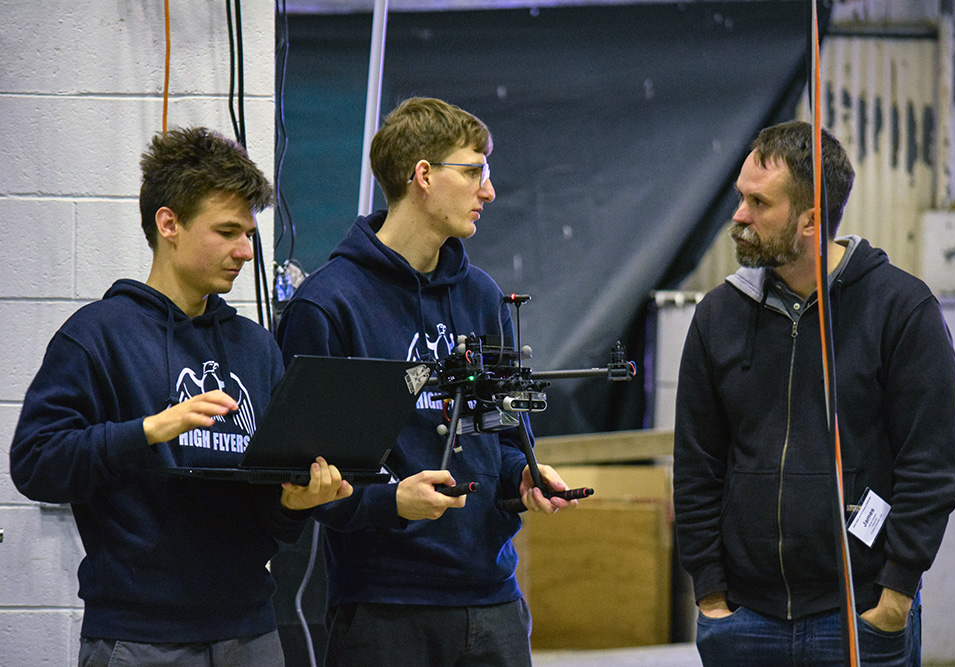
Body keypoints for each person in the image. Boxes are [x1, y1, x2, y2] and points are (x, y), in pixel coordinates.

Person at [9, 127, 352, 666]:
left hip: (251, 632)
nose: (245, 251)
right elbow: (35, 466)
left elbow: (269, 510)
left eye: (249, 233)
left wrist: (295, 503)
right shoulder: (96, 336)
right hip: (139, 639)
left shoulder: (256, 347)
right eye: (227, 231)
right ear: (169, 224)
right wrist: (152, 429)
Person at [276, 96, 577, 667]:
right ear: (423, 175)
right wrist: (391, 502)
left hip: (493, 604)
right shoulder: (328, 306)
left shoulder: (483, 296)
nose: (489, 191)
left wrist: (522, 477)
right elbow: (303, 475)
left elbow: (502, 434)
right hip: (384, 609)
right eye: (474, 171)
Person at [673, 120, 955, 666]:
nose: (739, 216)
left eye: (759, 202)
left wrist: (895, 598)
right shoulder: (718, 315)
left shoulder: (902, 310)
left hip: (859, 615)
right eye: (740, 196)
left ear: (811, 219)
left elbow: (931, 465)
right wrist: (710, 594)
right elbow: (696, 465)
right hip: (743, 620)